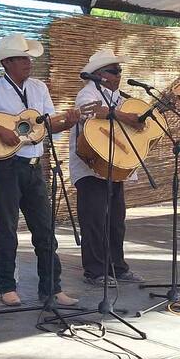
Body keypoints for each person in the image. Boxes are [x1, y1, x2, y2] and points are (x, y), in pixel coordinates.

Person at [0, 33, 81, 307]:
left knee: (44, 228)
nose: (29, 62)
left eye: (29, 58)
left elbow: (47, 125)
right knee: (7, 228)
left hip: (34, 167)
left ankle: (52, 287)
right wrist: (0, 130)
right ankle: (7, 286)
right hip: (6, 166)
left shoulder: (39, 88)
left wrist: (70, 122)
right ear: (7, 63)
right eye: (22, 58)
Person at [69, 50, 146, 288]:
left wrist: (116, 114)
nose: (119, 75)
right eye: (114, 71)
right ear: (98, 75)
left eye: (119, 71)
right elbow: (91, 116)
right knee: (94, 220)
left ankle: (117, 267)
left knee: (115, 220)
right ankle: (94, 270)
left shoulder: (118, 98)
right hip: (90, 166)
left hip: (115, 163)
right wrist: (119, 115)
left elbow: (134, 120)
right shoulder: (86, 94)